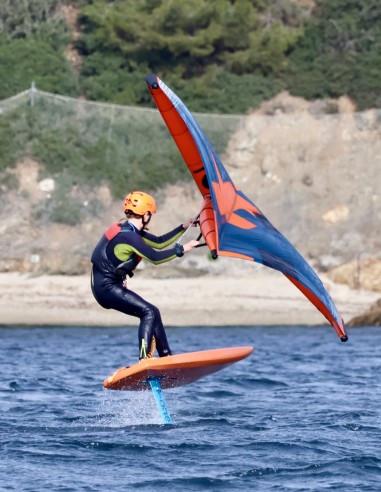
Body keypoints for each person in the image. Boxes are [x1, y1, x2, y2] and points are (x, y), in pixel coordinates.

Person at [91, 191, 199, 361]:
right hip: (107, 288)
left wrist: (183, 227)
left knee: (153, 312)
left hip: (104, 285)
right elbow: (155, 257)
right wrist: (183, 249)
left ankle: (166, 357)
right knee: (148, 312)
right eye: (151, 214)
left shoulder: (127, 230)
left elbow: (158, 242)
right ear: (146, 214)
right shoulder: (129, 236)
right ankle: (144, 359)